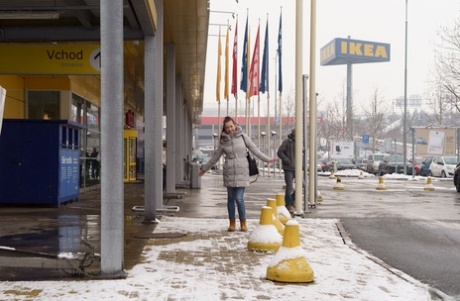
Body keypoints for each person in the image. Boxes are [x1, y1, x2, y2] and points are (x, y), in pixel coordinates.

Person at [199, 116, 277, 232]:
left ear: (234, 125)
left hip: (242, 172)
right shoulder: (223, 142)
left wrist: (268, 159)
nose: (230, 129)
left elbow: (255, 150)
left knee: (239, 198)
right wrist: (204, 169)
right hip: (229, 173)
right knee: (230, 198)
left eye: (231, 126)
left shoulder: (243, 137)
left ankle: (243, 222)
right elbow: (215, 157)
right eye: (227, 128)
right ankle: (232, 223)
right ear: (224, 129)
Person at [277, 128, 296, 213]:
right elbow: (280, 152)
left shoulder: (300, 142)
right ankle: (288, 204)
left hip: (297, 168)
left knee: (303, 185)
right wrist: (287, 160)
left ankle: (293, 200)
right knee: (289, 186)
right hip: (289, 168)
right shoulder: (287, 142)